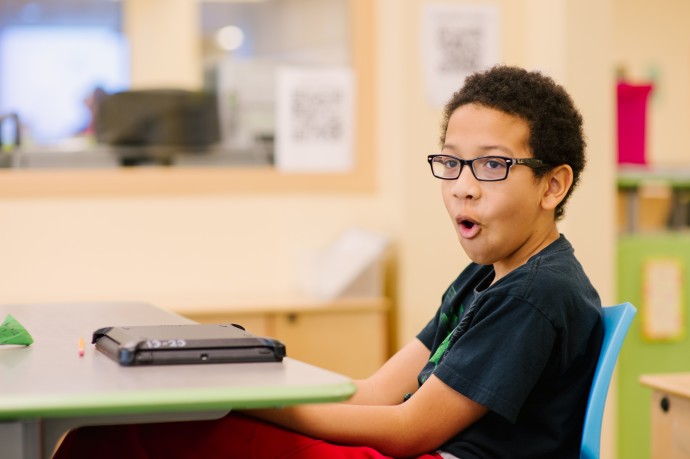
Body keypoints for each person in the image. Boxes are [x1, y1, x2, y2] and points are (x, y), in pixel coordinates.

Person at [54, 65, 603, 459]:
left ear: (552, 184)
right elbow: (371, 393)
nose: (462, 188)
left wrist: (245, 402)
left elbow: (410, 428)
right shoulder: (488, 276)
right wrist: (248, 385)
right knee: (112, 436)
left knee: (116, 439)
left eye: (491, 166)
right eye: (451, 164)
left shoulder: (537, 293)